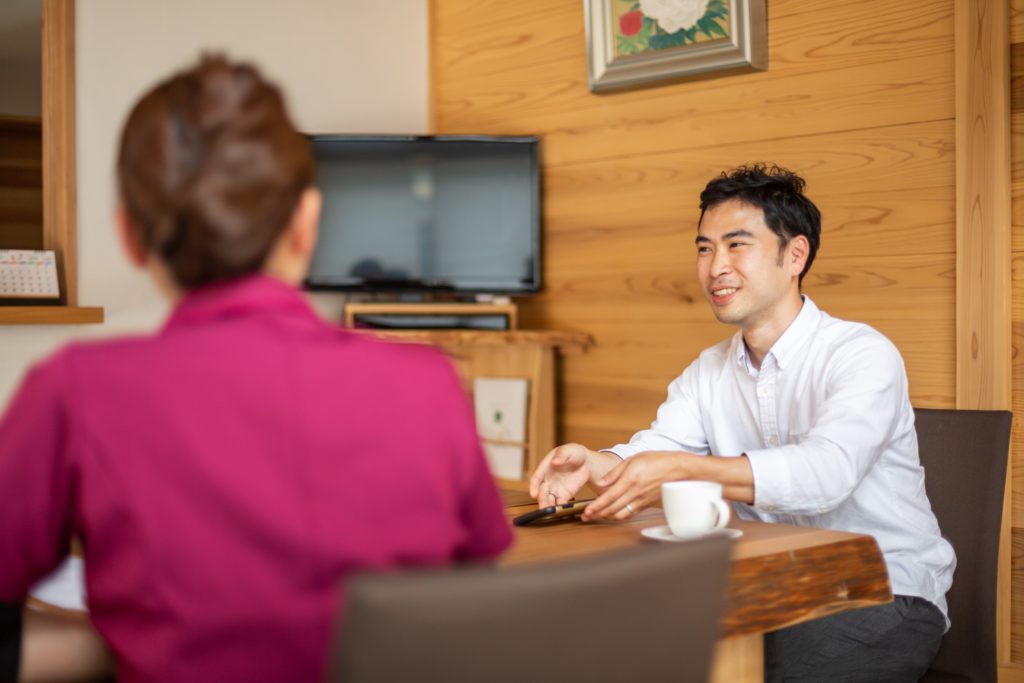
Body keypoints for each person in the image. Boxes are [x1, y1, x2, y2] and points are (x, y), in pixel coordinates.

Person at [0, 55, 512, 683]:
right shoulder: (429, 383)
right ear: (306, 222)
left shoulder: (75, 392)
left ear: (130, 237)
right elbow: (475, 605)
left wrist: (107, 646)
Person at [529, 164, 954, 682]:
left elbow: (828, 471)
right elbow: (657, 447)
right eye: (704, 248)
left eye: (737, 245)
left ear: (795, 255)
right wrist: (596, 464)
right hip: (767, 591)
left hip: (884, 591)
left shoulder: (862, 354)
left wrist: (688, 468)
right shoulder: (707, 369)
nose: (715, 267)